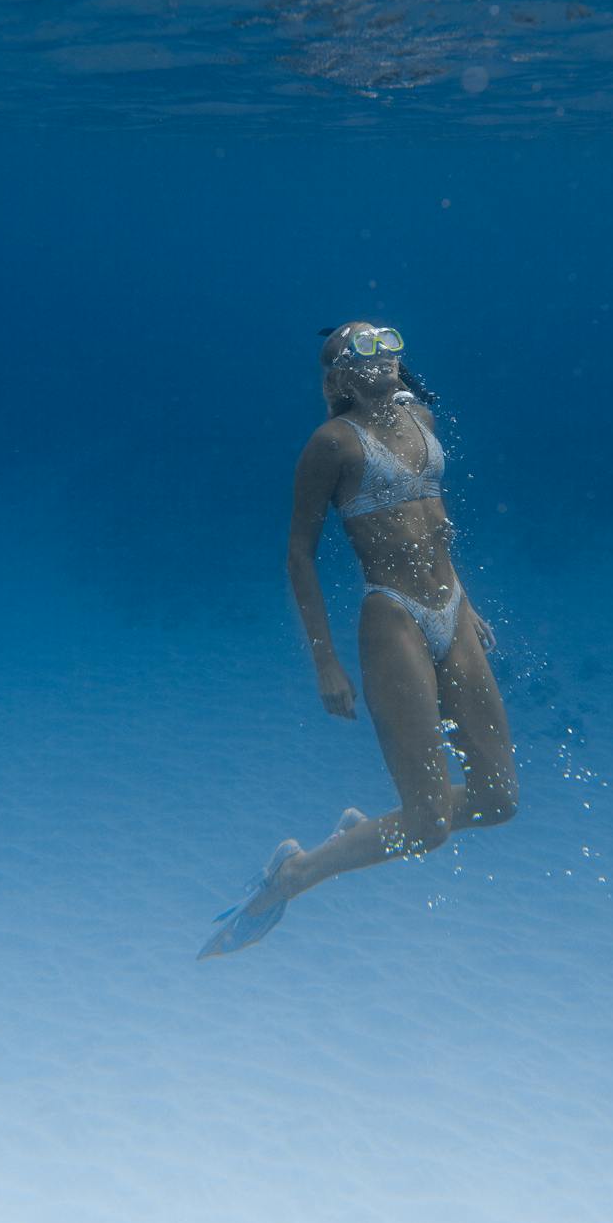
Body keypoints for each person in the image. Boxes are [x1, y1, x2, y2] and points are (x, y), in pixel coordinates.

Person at [198, 320, 518, 959]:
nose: (389, 354)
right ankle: (290, 876)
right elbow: (298, 553)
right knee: (426, 829)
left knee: (498, 799)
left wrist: (468, 601)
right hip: (393, 618)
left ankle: (362, 833)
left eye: (393, 340)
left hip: (450, 610)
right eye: (368, 346)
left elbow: (436, 525)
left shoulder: (419, 416)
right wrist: (327, 665)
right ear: (340, 372)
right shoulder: (332, 445)